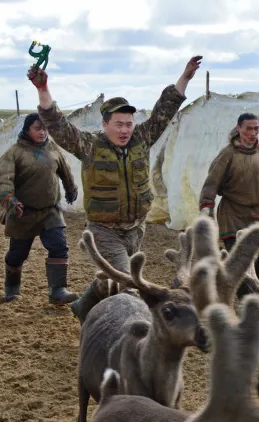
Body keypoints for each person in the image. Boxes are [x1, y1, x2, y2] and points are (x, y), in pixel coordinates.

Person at [27, 54, 202, 322]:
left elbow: (164, 110)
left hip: (135, 228)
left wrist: (185, 77)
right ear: (105, 124)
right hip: (104, 231)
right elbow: (57, 125)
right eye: (118, 124)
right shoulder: (89, 146)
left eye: (129, 124)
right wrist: (42, 90)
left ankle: (82, 307)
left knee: (110, 280)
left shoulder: (142, 139)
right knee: (129, 286)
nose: (125, 130)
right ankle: (131, 336)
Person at [0, 113, 80, 304]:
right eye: (37, 128)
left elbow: (65, 170)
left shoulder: (52, 148)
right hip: (22, 212)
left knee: (58, 246)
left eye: (45, 128)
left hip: (50, 211)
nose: (42, 132)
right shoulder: (15, 152)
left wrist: (71, 188)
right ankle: (12, 287)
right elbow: (2, 179)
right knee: (17, 254)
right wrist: (10, 200)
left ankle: (58, 290)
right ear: (27, 129)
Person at [199, 112, 259, 281]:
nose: (253, 133)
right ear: (238, 128)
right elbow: (211, 184)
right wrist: (207, 211)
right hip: (232, 214)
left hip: (258, 213)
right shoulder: (227, 154)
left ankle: (234, 282)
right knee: (239, 259)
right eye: (248, 129)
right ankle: (242, 288)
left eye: (256, 129)